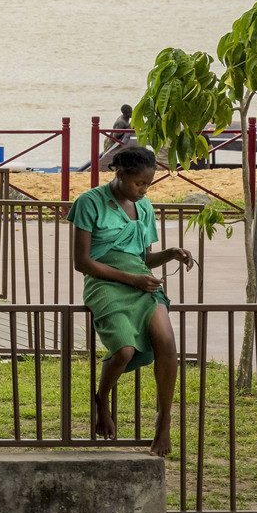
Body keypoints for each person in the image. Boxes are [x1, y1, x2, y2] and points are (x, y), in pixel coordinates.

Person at [66, 144, 194, 457]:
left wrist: (170, 254)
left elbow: (143, 258)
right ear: (120, 175)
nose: (143, 190)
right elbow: (82, 262)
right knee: (123, 350)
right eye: (139, 183)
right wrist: (133, 279)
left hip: (142, 285)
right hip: (105, 284)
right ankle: (102, 399)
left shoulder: (145, 207)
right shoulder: (89, 202)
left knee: (167, 344)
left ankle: (164, 422)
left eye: (148, 184)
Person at [97, 103, 133, 172]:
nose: (132, 113)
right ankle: (103, 169)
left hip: (115, 140)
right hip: (111, 141)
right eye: (131, 112)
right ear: (126, 113)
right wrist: (128, 128)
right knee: (108, 157)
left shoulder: (126, 119)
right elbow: (115, 135)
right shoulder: (121, 122)